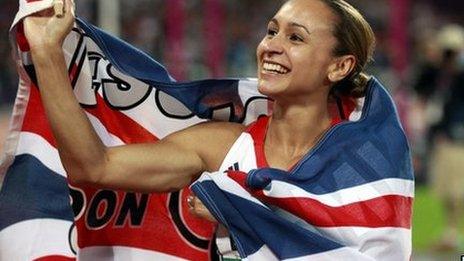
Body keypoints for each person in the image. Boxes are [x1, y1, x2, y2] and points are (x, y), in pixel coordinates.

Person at [23, 0, 411, 259]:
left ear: (339, 67)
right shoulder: (221, 146)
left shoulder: (362, 163)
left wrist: (237, 208)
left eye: (295, 38)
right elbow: (93, 167)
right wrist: (46, 52)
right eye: (272, 30)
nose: (271, 46)